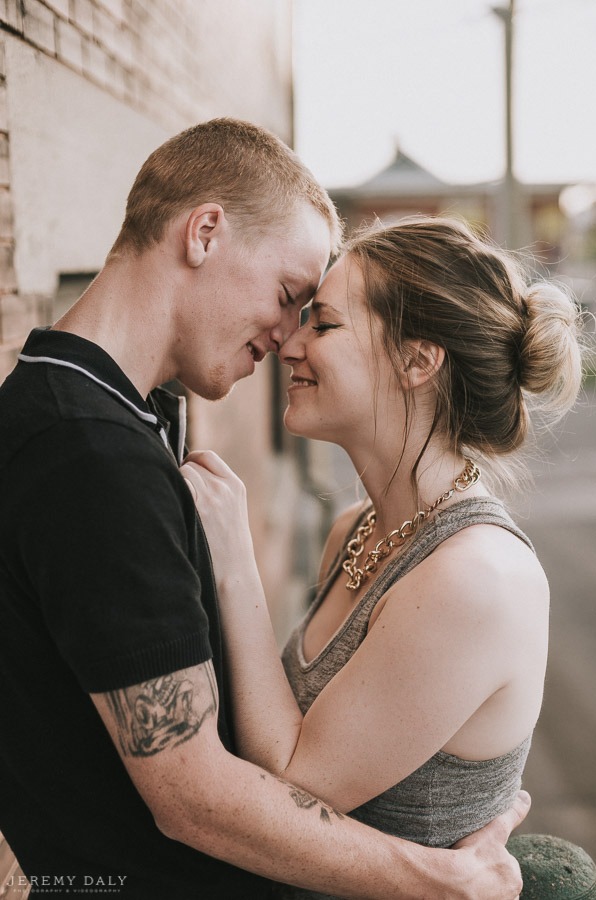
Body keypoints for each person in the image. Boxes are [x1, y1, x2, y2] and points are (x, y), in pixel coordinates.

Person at [0, 120, 528, 900]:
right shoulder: (89, 450)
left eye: (316, 316)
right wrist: (443, 880)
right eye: (289, 298)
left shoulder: (121, 418)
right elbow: (194, 796)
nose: (288, 338)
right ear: (204, 232)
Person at [181, 216, 584, 900]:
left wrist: (233, 560)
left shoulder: (473, 578)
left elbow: (293, 783)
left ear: (417, 361)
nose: (289, 343)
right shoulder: (355, 531)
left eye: (325, 325)